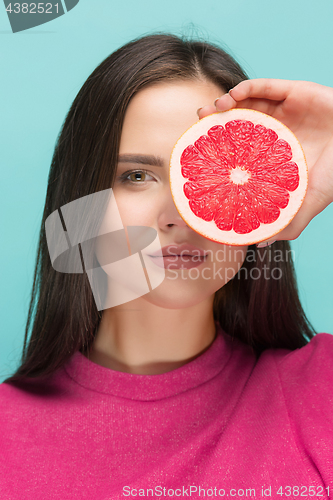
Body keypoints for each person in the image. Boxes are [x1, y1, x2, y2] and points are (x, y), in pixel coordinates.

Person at [0, 32, 332, 499]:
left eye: (212, 175)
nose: (177, 214)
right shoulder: (6, 435)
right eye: (137, 176)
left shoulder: (321, 391)